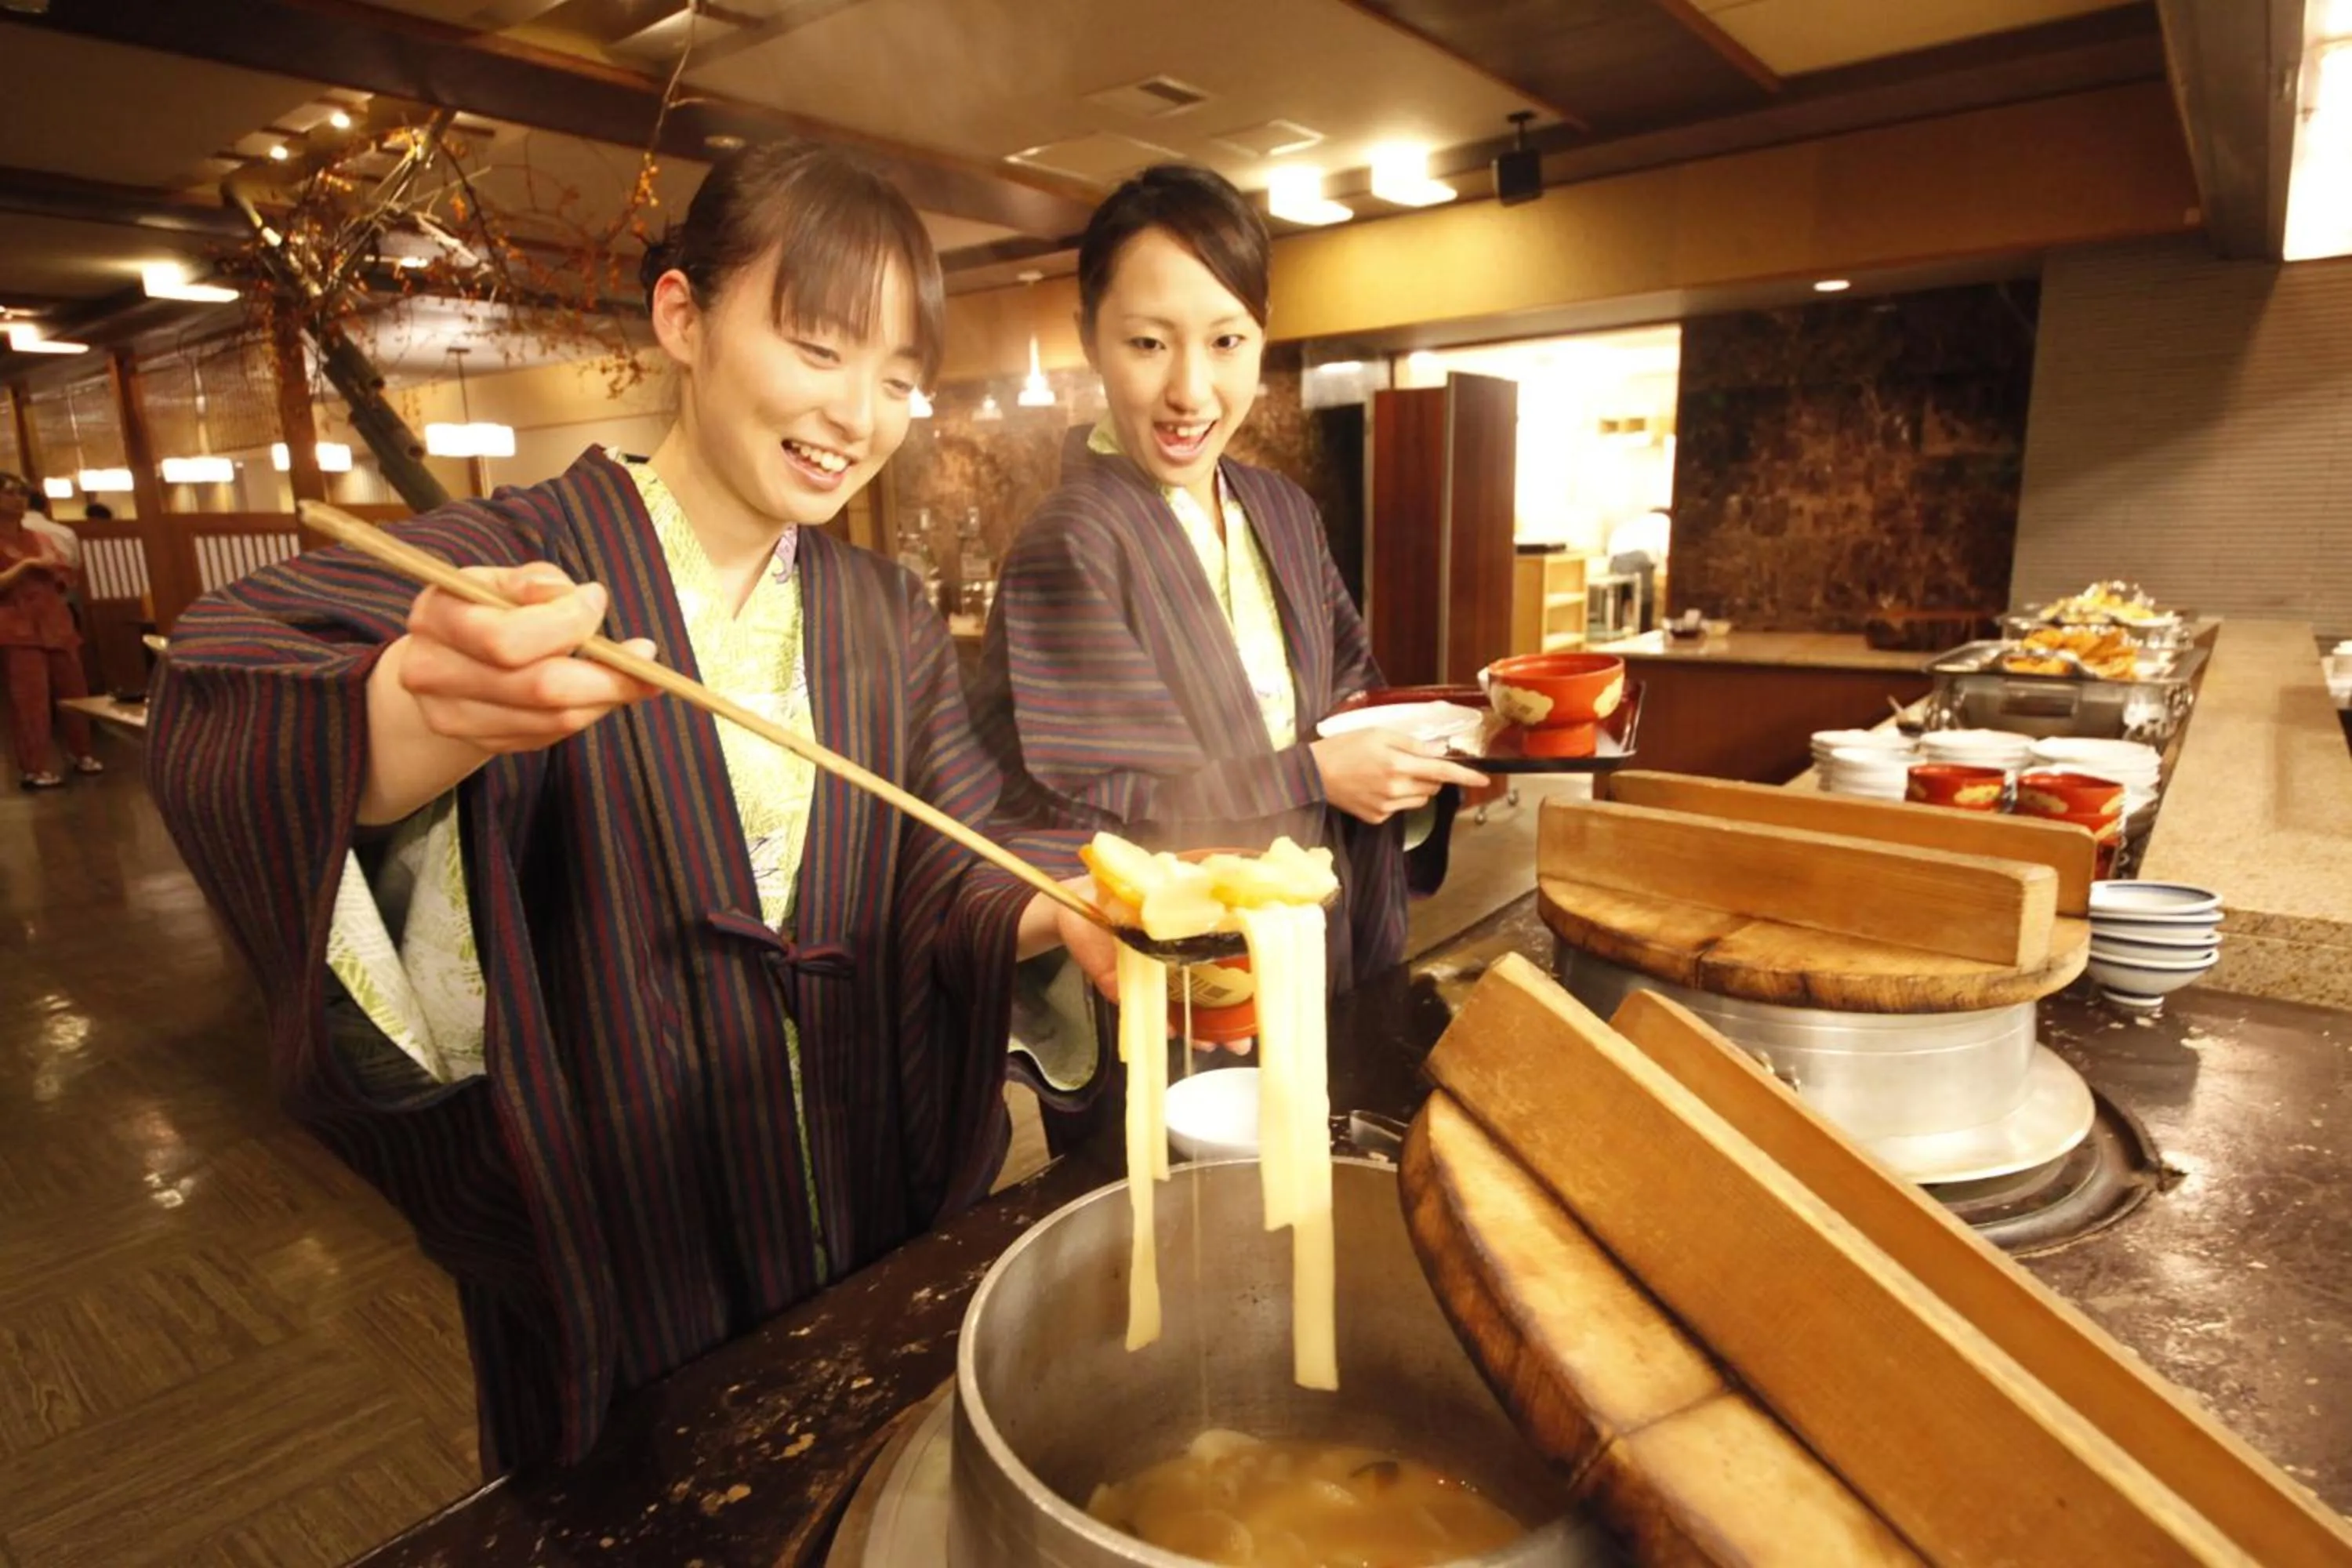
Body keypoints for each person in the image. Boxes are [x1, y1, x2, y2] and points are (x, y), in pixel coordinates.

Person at [147, 143, 1115, 1475]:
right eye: (820, 348)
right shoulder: (515, 562)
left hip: (863, 1179)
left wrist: (1071, 908)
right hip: (624, 1223)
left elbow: (953, 859)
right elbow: (230, 678)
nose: (859, 413)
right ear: (682, 319)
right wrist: (412, 721)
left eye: (899, 379)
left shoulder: (879, 613)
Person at [969, 165, 1487, 997]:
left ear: (1262, 334)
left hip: (1310, 930)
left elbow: (1352, 691)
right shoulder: (1069, 542)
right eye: (1147, 343)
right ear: (1090, 336)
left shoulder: (1280, 508)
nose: (1191, 390)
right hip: (1177, 974)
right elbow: (1109, 813)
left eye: (1226, 340)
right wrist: (1312, 776)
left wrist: (1421, 755)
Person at [0, 471, 101, 789]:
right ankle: (34, 767)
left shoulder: (39, 536)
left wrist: (56, 573)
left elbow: (64, 573)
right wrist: (28, 567)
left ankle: (81, 752)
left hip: (54, 618)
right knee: (30, 698)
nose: (17, 498)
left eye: (21, 492)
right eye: (8, 492)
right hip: (16, 624)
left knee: (75, 690)